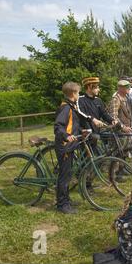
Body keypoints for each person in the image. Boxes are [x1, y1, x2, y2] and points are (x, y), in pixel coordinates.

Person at [54, 82, 86, 214]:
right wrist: (66, 136)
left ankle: (66, 199)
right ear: (73, 93)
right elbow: (58, 127)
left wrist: (82, 131)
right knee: (64, 176)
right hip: (65, 146)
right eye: (78, 92)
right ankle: (62, 204)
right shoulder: (65, 108)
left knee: (67, 174)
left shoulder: (71, 107)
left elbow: (72, 125)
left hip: (70, 146)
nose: (79, 94)